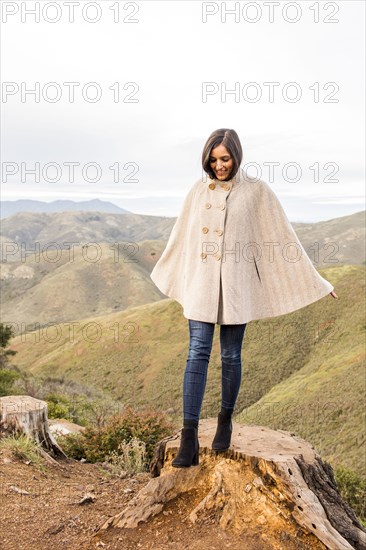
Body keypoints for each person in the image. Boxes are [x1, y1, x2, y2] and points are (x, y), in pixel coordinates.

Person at [150, 128, 338, 468]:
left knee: (232, 355)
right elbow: (182, 238)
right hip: (201, 285)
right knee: (197, 353)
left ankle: (225, 419)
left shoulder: (256, 192)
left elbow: (282, 238)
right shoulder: (197, 191)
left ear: (237, 155)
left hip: (236, 285)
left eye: (225, 159)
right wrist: (171, 271)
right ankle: (189, 437)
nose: (219, 166)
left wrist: (317, 281)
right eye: (213, 159)